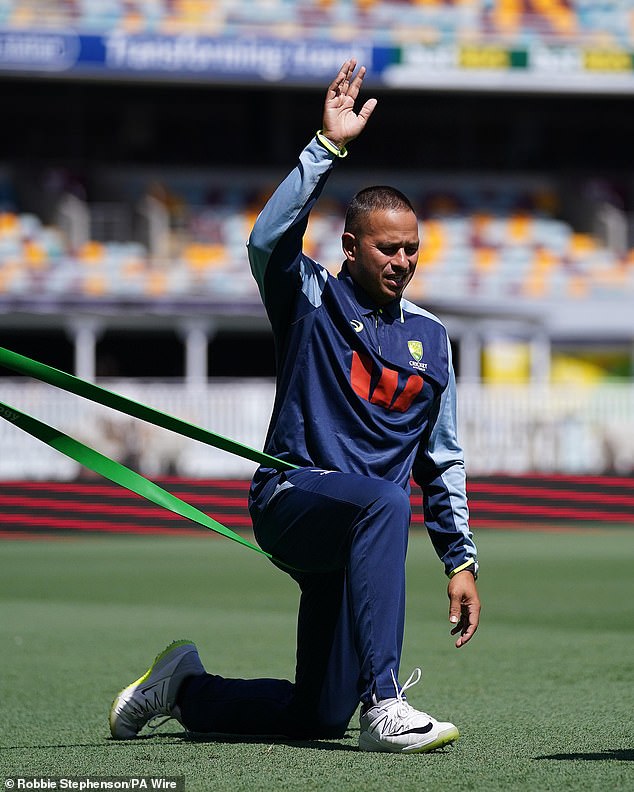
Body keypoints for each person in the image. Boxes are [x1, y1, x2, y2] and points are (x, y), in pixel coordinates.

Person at [109, 60, 480, 754]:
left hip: (356, 543)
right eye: (387, 247)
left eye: (412, 250)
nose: (402, 260)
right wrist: (326, 149)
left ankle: (182, 688)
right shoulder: (311, 298)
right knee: (382, 501)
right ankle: (386, 702)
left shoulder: (433, 338)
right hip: (291, 500)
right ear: (350, 247)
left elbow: (443, 458)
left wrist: (460, 562)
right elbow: (262, 242)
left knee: (314, 718)